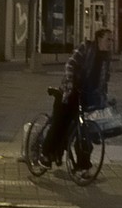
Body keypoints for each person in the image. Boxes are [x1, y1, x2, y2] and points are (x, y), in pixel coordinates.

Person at [47, 26, 112, 172]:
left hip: (88, 96)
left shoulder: (106, 58)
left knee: (84, 133)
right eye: (108, 39)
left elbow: (104, 80)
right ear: (99, 38)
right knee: (62, 124)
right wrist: (70, 83)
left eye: (111, 40)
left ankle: (83, 166)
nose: (110, 43)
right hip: (73, 91)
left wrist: (104, 99)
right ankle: (49, 153)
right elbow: (70, 64)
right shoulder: (86, 48)